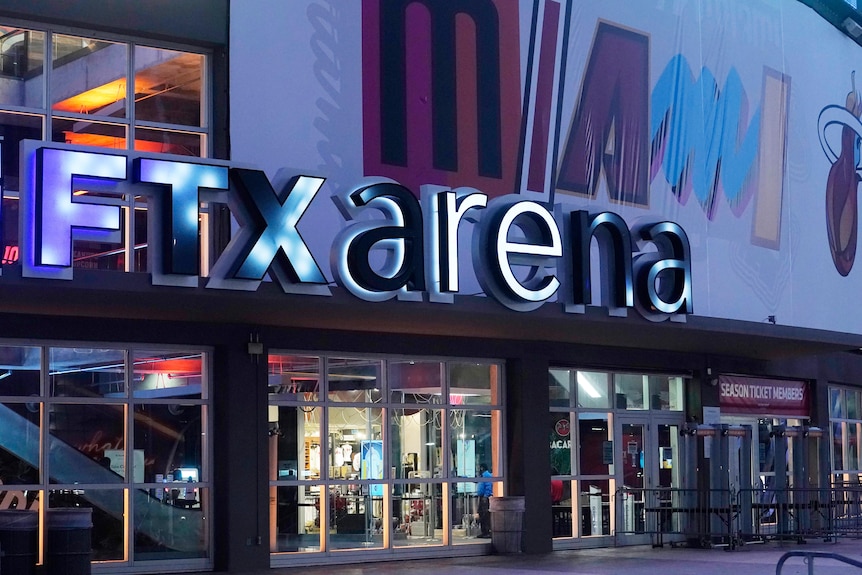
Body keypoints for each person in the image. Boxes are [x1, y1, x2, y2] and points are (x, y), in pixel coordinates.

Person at [476, 463, 492, 538]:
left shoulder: (487, 475)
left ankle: (487, 532)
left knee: (485, 515)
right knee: (481, 514)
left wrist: (486, 496)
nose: (478, 469)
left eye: (479, 467)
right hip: (481, 497)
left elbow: (489, 486)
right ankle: (484, 531)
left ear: (482, 468)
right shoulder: (482, 476)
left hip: (485, 497)